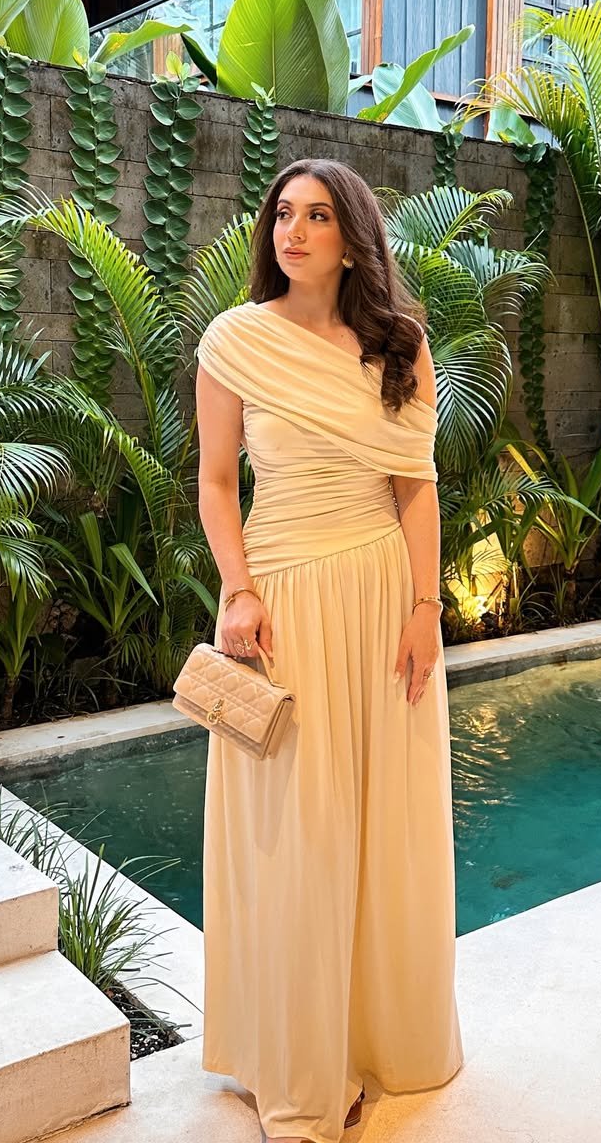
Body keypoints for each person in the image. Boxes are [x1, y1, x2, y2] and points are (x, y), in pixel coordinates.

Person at [193, 158, 464, 1143]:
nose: (292, 231)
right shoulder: (233, 341)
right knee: (294, 832)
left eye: (315, 216)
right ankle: (295, 1061)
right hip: (284, 598)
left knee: (379, 821)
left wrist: (426, 607)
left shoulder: (400, 344)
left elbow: (417, 486)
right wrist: (238, 588)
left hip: (383, 590)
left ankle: (368, 1042)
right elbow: (217, 483)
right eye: (281, 214)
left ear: (352, 237)